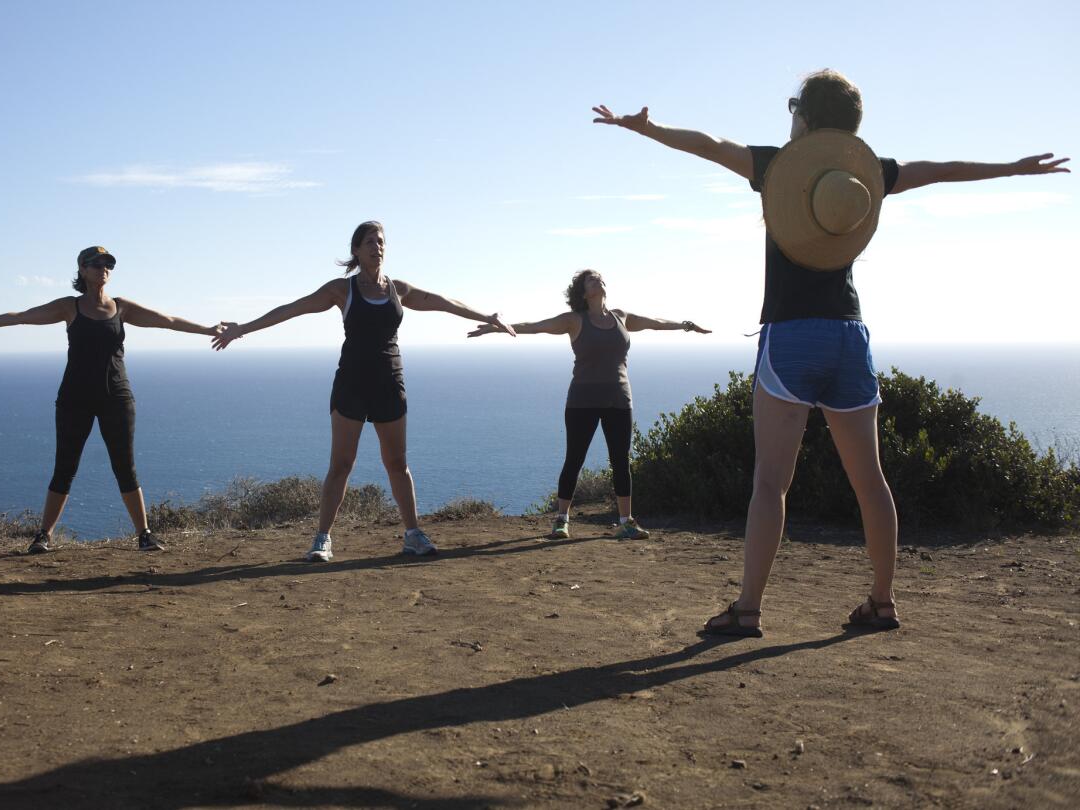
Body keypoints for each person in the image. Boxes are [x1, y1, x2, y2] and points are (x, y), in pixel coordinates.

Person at [593, 69, 1069, 636]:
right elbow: (941, 171)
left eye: (794, 108)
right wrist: (1014, 169)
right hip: (849, 335)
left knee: (771, 483)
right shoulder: (867, 178)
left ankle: (747, 610)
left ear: (807, 119)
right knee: (871, 480)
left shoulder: (774, 166)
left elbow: (710, 146)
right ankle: (883, 601)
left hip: (790, 337)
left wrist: (648, 130)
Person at [212, 221, 514, 562]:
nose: (377, 246)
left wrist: (487, 315)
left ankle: (413, 534)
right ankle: (322, 539)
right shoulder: (342, 290)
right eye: (370, 241)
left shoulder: (398, 289)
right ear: (356, 250)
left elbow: (443, 302)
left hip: (389, 382)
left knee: (397, 463)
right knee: (341, 464)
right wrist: (243, 329)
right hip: (352, 383)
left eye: (381, 241)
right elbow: (292, 309)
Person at [0, 246, 224, 554]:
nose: (104, 268)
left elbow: (166, 320)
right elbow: (22, 317)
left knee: (125, 467)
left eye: (108, 264)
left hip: (117, 397)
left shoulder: (122, 307)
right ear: (82, 270)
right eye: (96, 264)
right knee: (65, 466)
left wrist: (208, 329)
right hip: (75, 398)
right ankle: (43, 536)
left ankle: (144, 535)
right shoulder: (69, 307)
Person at [470, 268, 709, 540]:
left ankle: (625, 522)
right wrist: (499, 327)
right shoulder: (575, 320)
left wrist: (685, 325)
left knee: (621, 461)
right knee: (575, 459)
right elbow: (535, 326)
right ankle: (561, 520)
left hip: (619, 399)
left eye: (599, 276)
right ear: (583, 293)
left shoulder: (621, 317)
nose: (598, 279)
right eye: (590, 279)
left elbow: (655, 321)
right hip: (582, 401)